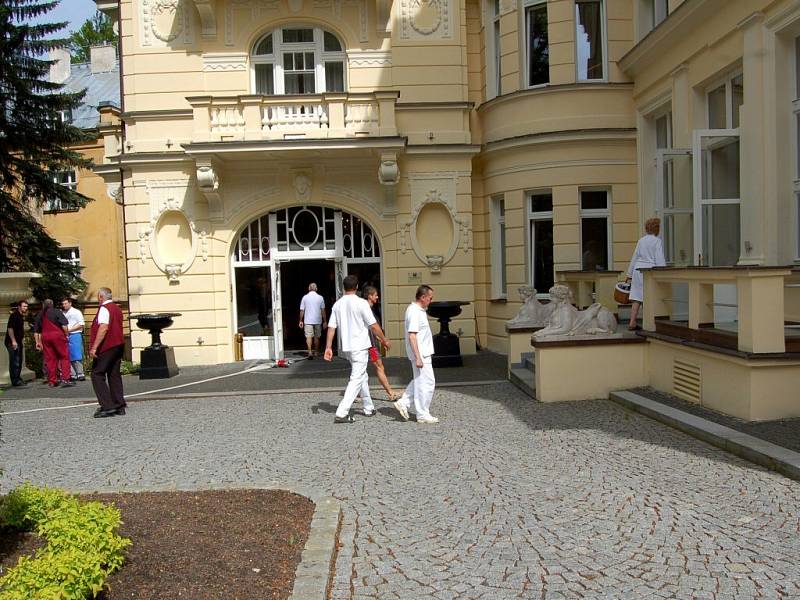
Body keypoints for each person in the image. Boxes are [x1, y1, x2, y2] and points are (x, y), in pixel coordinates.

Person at [323, 275, 391, 424]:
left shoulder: (337, 304)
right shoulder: (361, 303)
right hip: (360, 346)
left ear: (344, 287)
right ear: (357, 286)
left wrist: (328, 347)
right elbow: (373, 325)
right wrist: (384, 339)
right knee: (356, 379)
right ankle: (342, 412)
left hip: (347, 347)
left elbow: (331, 327)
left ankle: (368, 407)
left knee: (362, 376)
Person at [393, 285, 438, 424]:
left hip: (423, 353)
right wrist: (418, 357)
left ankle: (404, 402)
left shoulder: (418, 310)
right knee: (427, 383)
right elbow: (412, 335)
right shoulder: (414, 311)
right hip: (421, 354)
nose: (431, 300)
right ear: (423, 297)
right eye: (430, 298)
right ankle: (422, 413)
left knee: (420, 381)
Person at [89, 287, 126, 418]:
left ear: (100, 297)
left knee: (97, 374)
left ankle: (107, 405)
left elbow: (103, 327)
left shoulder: (104, 309)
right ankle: (119, 404)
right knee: (113, 374)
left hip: (107, 346)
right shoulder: (117, 309)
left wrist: (94, 347)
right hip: (118, 344)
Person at [627, 217, 667, 331]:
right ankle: (648, 322)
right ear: (657, 229)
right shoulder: (657, 241)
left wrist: (629, 274)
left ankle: (632, 321)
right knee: (649, 296)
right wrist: (662, 271)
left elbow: (634, 257)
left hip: (637, 269)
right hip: (649, 270)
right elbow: (659, 259)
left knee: (636, 297)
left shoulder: (641, 240)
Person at [362, 285, 399, 401]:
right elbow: (373, 328)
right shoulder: (366, 309)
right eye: (375, 295)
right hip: (370, 346)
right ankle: (390, 392)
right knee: (379, 366)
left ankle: (359, 394)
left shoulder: (365, 308)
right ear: (370, 296)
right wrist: (384, 340)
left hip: (367, 344)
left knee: (360, 370)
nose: (377, 297)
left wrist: (380, 340)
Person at [36, 299, 73, 388]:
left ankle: (52, 381)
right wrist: (67, 335)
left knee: (50, 359)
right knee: (64, 356)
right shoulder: (57, 312)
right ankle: (65, 378)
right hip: (57, 336)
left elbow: (37, 331)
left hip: (45, 337)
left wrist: (38, 342)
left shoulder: (40, 314)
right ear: (52, 304)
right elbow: (64, 325)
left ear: (43, 305)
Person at [4, 300, 29, 387]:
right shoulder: (14, 316)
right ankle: (15, 380)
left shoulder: (21, 316)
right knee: (15, 361)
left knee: (19, 360)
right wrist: (13, 341)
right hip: (12, 342)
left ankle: (18, 378)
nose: (26, 308)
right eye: (24, 306)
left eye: (26, 306)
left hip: (18, 342)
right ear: (19, 307)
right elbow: (10, 329)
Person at [299, 282, 327, 359]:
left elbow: (302, 310)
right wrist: (325, 321)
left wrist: (300, 320)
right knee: (317, 337)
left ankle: (310, 352)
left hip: (308, 320)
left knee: (308, 337)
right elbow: (323, 310)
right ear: (316, 289)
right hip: (318, 320)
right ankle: (316, 352)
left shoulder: (305, 297)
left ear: (309, 289)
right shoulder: (320, 298)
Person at [61, 298, 86, 381]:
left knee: (77, 354)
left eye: (65, 303)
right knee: (68, 355)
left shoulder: (76, 312)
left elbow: (81, 324)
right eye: (63, 304)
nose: (64, 305)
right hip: (66, 335)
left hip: (75, 334)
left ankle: (80, 373)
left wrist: (69, 330)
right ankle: (73, 373)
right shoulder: (63, 313)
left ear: (70, 303)